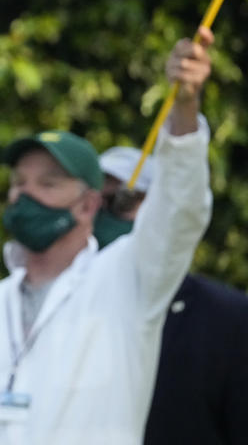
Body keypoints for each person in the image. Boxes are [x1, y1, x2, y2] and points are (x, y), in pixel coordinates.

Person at [0, 27, 215, 445]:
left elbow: (180, 210)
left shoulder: (130, 280)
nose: (25, 194)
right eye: (19, 182)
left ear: (87, 205)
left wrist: (185, 108)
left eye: (48, 184)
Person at [95, 145, 248, 445]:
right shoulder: (67, 309)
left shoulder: (229, 317)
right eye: (92, 205)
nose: (104, 217)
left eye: (121, 201)